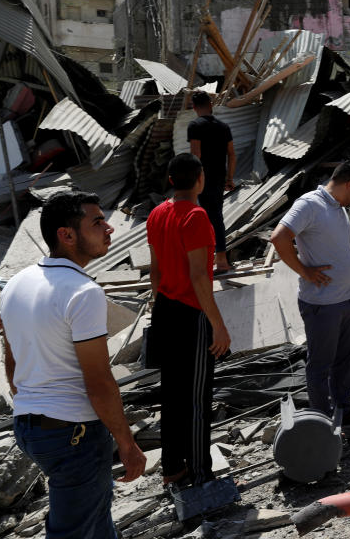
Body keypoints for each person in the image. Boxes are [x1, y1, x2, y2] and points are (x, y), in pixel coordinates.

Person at [0, 191, 145, 538]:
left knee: (95, 521)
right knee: (74, 530)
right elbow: (98, 379)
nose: (109, 228)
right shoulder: (83, 292)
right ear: (66, 235)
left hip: (30, 428)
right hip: (73, 434)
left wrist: (32, 401)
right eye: (97, 222)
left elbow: (11, 359)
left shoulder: (18, 283)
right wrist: (126, 442)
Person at [147, 153, 232, 487]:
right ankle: (200, 473)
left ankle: (172, 468)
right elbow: (200, 277)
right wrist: (219, 325)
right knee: (197, 397)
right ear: (200, 179)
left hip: (165, 308)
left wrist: (160, 304)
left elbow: (155, 271)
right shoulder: (197, 217)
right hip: (191, 313)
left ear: (170, 180)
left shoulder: (157, 213)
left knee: (172, 394)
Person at [269, 161, 350, 427]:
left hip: (347, 297)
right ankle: (323, 423)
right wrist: (304, 271)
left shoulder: (338, 208)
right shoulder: (309, 204)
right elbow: (279, 238)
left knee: (345, 360)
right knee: (320, 366)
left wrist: (347, 261)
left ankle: (344, 411)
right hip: (324, 303)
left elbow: (328, 243)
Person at [188, 91, 236, 272]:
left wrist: (195, 181)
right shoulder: (224, 127)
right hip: (219, 178)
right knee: (215, 217)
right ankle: (217, 258)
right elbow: (231, 154)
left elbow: (196, 155)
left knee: (210, 218)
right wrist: (229, 177)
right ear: (211, 105)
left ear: (194, 107)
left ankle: (220, 260)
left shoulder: (195, 126)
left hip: (203, 178)